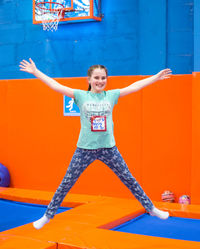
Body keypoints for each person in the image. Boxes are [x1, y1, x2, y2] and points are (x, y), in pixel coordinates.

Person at [19, 58, 171, 229]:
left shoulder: (111, 95)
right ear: (89, 80)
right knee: (66, 182)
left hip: (108, 148)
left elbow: (134, 87)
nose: (100, 81)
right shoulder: (80, 95)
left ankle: (151, 208)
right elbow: (56, 86)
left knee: (129, 178)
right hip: (85, 149)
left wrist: (155, 77)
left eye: (103, 78)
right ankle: (47, 216)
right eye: (97, 78)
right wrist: (36, 72)